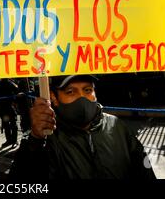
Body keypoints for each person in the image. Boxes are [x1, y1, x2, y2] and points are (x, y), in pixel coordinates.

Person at [10, 75, 156, 179]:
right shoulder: (45, 137)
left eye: (87, 90)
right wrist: (35, 140)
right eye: (70, 92)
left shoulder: (117, 127)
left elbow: (145, 172)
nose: (82, 98)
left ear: (95, 93)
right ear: (54, 98)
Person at [0, 78, 19, 148]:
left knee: (13, 125)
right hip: (3, 108)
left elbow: (17, 91)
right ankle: (9, 140)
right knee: (6, 125)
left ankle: (14, 141)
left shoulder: (10, 83)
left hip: (10, 107)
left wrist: (14, 101)